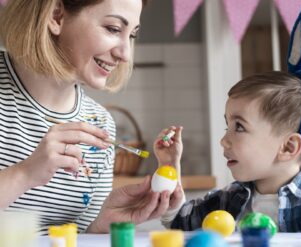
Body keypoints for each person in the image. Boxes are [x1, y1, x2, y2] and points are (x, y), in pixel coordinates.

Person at [154, 5, 301, 233]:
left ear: (288, 146)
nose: (223, 141)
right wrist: (169, 167)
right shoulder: (228, 200)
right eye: (228, 125)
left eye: (239, 127)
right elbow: (178, 221)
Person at [0, 0, 172, 235]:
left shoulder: (101, 124)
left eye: (131, 35)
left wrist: (102, 223)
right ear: (56, 15)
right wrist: (25, 174)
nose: (125, 54)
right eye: (113, 29)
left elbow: (77, 236)